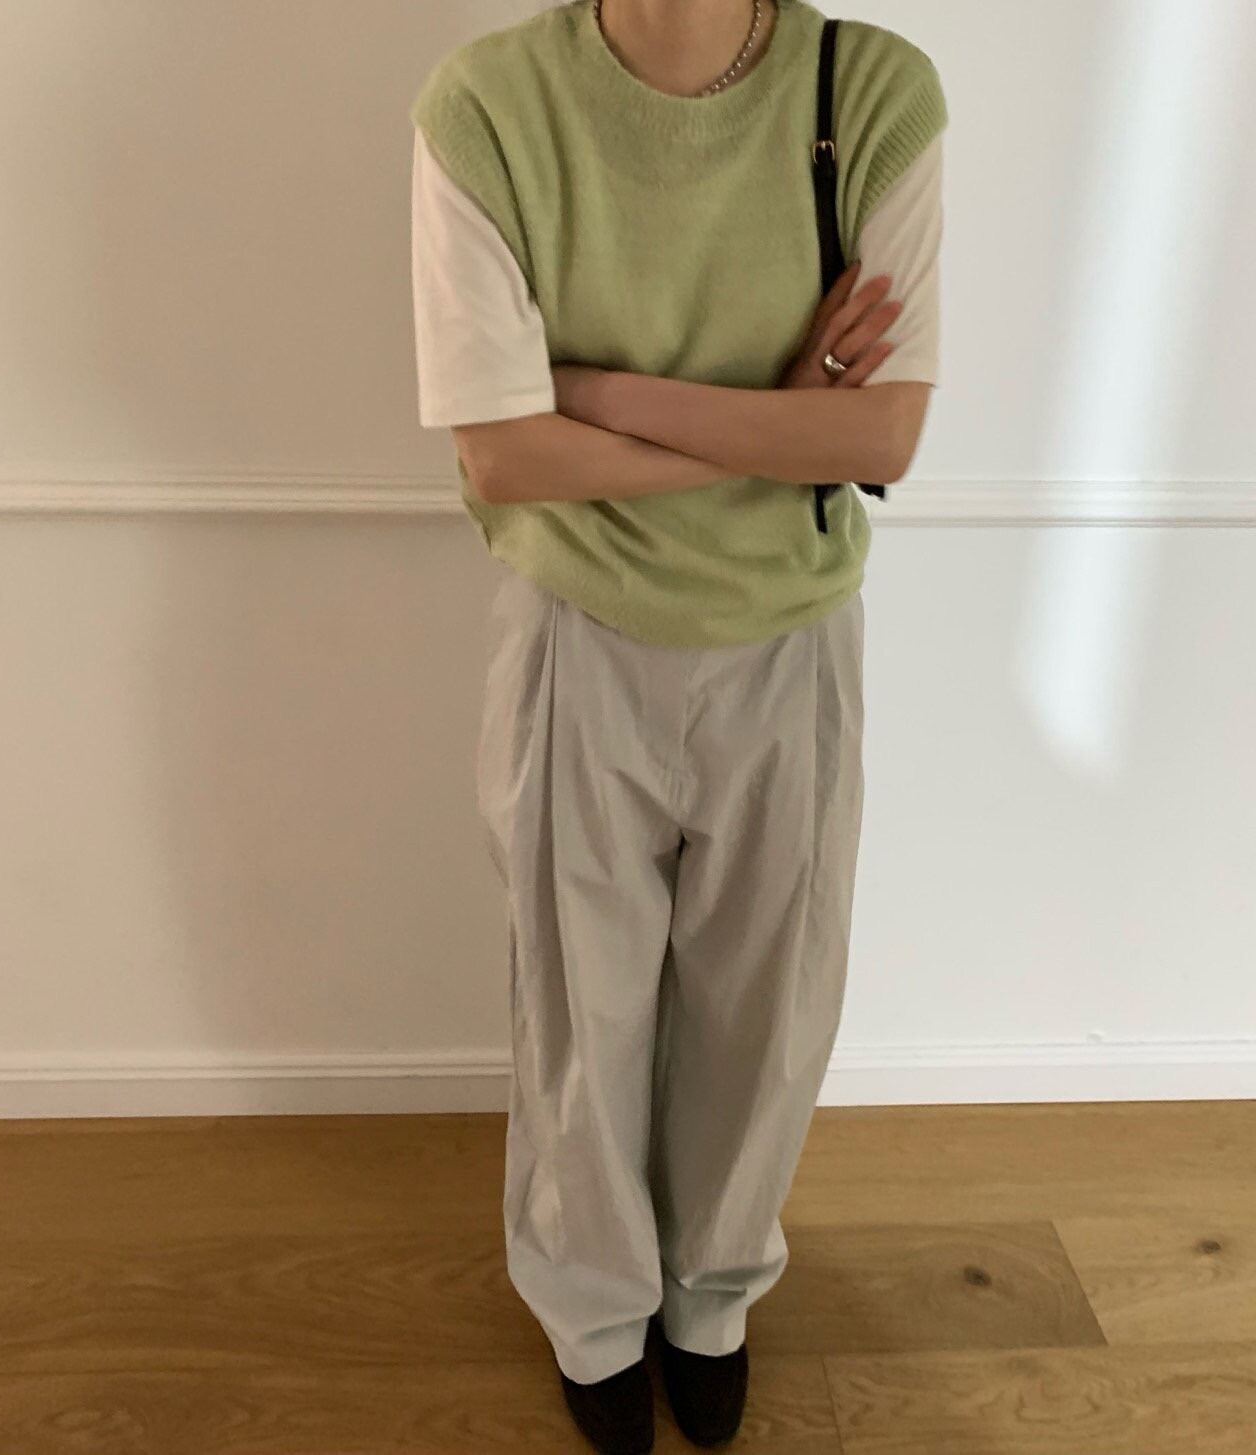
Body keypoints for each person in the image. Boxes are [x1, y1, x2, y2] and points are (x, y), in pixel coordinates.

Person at [409, 2, 946, 1450]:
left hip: (793, 635)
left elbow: (880, 435)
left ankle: (712, 1295)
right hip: (575, 633)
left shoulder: (868, 90)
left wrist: (597, 394)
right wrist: (771, 420)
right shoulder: (490, 104)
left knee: (768, 1008)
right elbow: (501, 455)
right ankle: (594, 1316)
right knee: (577, 1012)